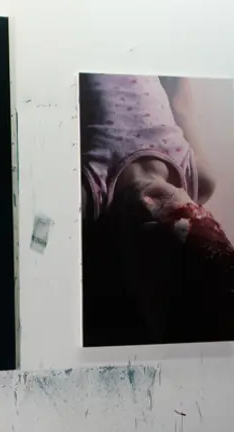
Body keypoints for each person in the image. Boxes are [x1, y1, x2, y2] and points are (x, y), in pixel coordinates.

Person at [81, 73, 234, 345]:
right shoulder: (200, 179)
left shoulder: (91, 196)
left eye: (147, 227)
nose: (150, 205)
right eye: (179, 210)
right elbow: (181, 105)